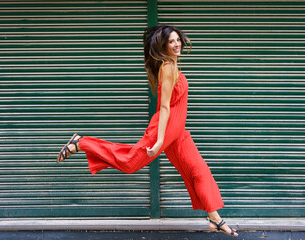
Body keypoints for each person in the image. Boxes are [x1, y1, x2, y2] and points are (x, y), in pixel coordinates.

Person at [57, 25, 238, 237]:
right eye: (171, 41)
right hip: (165, 129)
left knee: (199, 171)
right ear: (163, 46)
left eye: (177, 39)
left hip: (178, 133)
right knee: (131, 162)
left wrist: (169, 136)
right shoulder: (168, 68)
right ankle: (82, 142)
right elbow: (164, 107)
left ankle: (215, 220)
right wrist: (160, 139)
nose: (176, 44)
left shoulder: (173, 66)